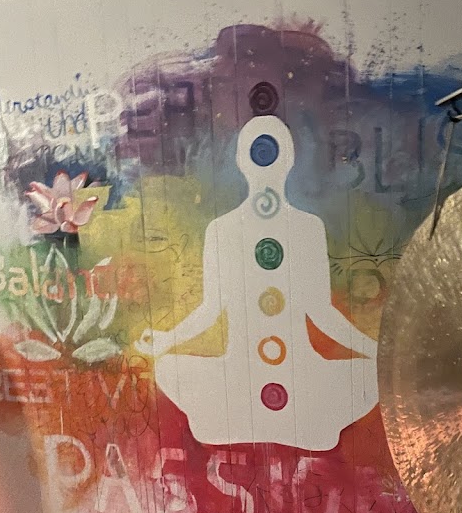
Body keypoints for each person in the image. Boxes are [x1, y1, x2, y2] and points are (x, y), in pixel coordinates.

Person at [136, 116, 378, 451]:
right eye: (258, 152)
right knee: (168, 368)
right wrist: (167, 339)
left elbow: (321, 312)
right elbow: (210, 310)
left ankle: (260, 422)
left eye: (272, 152)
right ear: (241, 161)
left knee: (369, 375)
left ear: (288, 159)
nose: (265, 161)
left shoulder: (307, 228)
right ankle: (276, 423)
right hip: (239, 372)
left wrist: (374, 350)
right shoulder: (221, 230)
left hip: (301, 373)